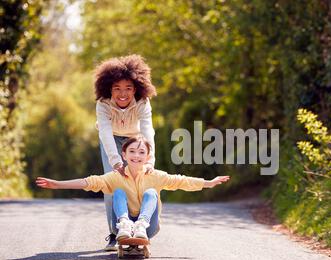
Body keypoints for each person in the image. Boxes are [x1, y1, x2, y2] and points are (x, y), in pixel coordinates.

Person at [35, 135, 230, 245]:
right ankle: (125, 224)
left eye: (141, 152)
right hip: (122, 226)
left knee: (151, 192)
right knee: (117, 191)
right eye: (132, 152)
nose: (137, 155)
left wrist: (209, 182)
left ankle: (141, 225)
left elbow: (181, 181)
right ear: (124, 154)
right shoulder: (116, 175)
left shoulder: (155, 175)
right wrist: (58, 184)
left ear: (147, 156)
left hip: (149, 227)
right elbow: (89, 182)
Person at [94, 54, 157, 250]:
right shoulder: (103, 104)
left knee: (140, 183)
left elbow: (148, 131)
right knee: (112, 185)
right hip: (111, 139)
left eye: (128, 88)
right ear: (109, 89)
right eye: (117, 89)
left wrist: (149, 161)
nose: (123, 94)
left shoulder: (142, 102)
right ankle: (115, 233)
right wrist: (116, 162)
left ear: (136, 88)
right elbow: (104, 132)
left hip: (134, 139)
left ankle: (140, 228)